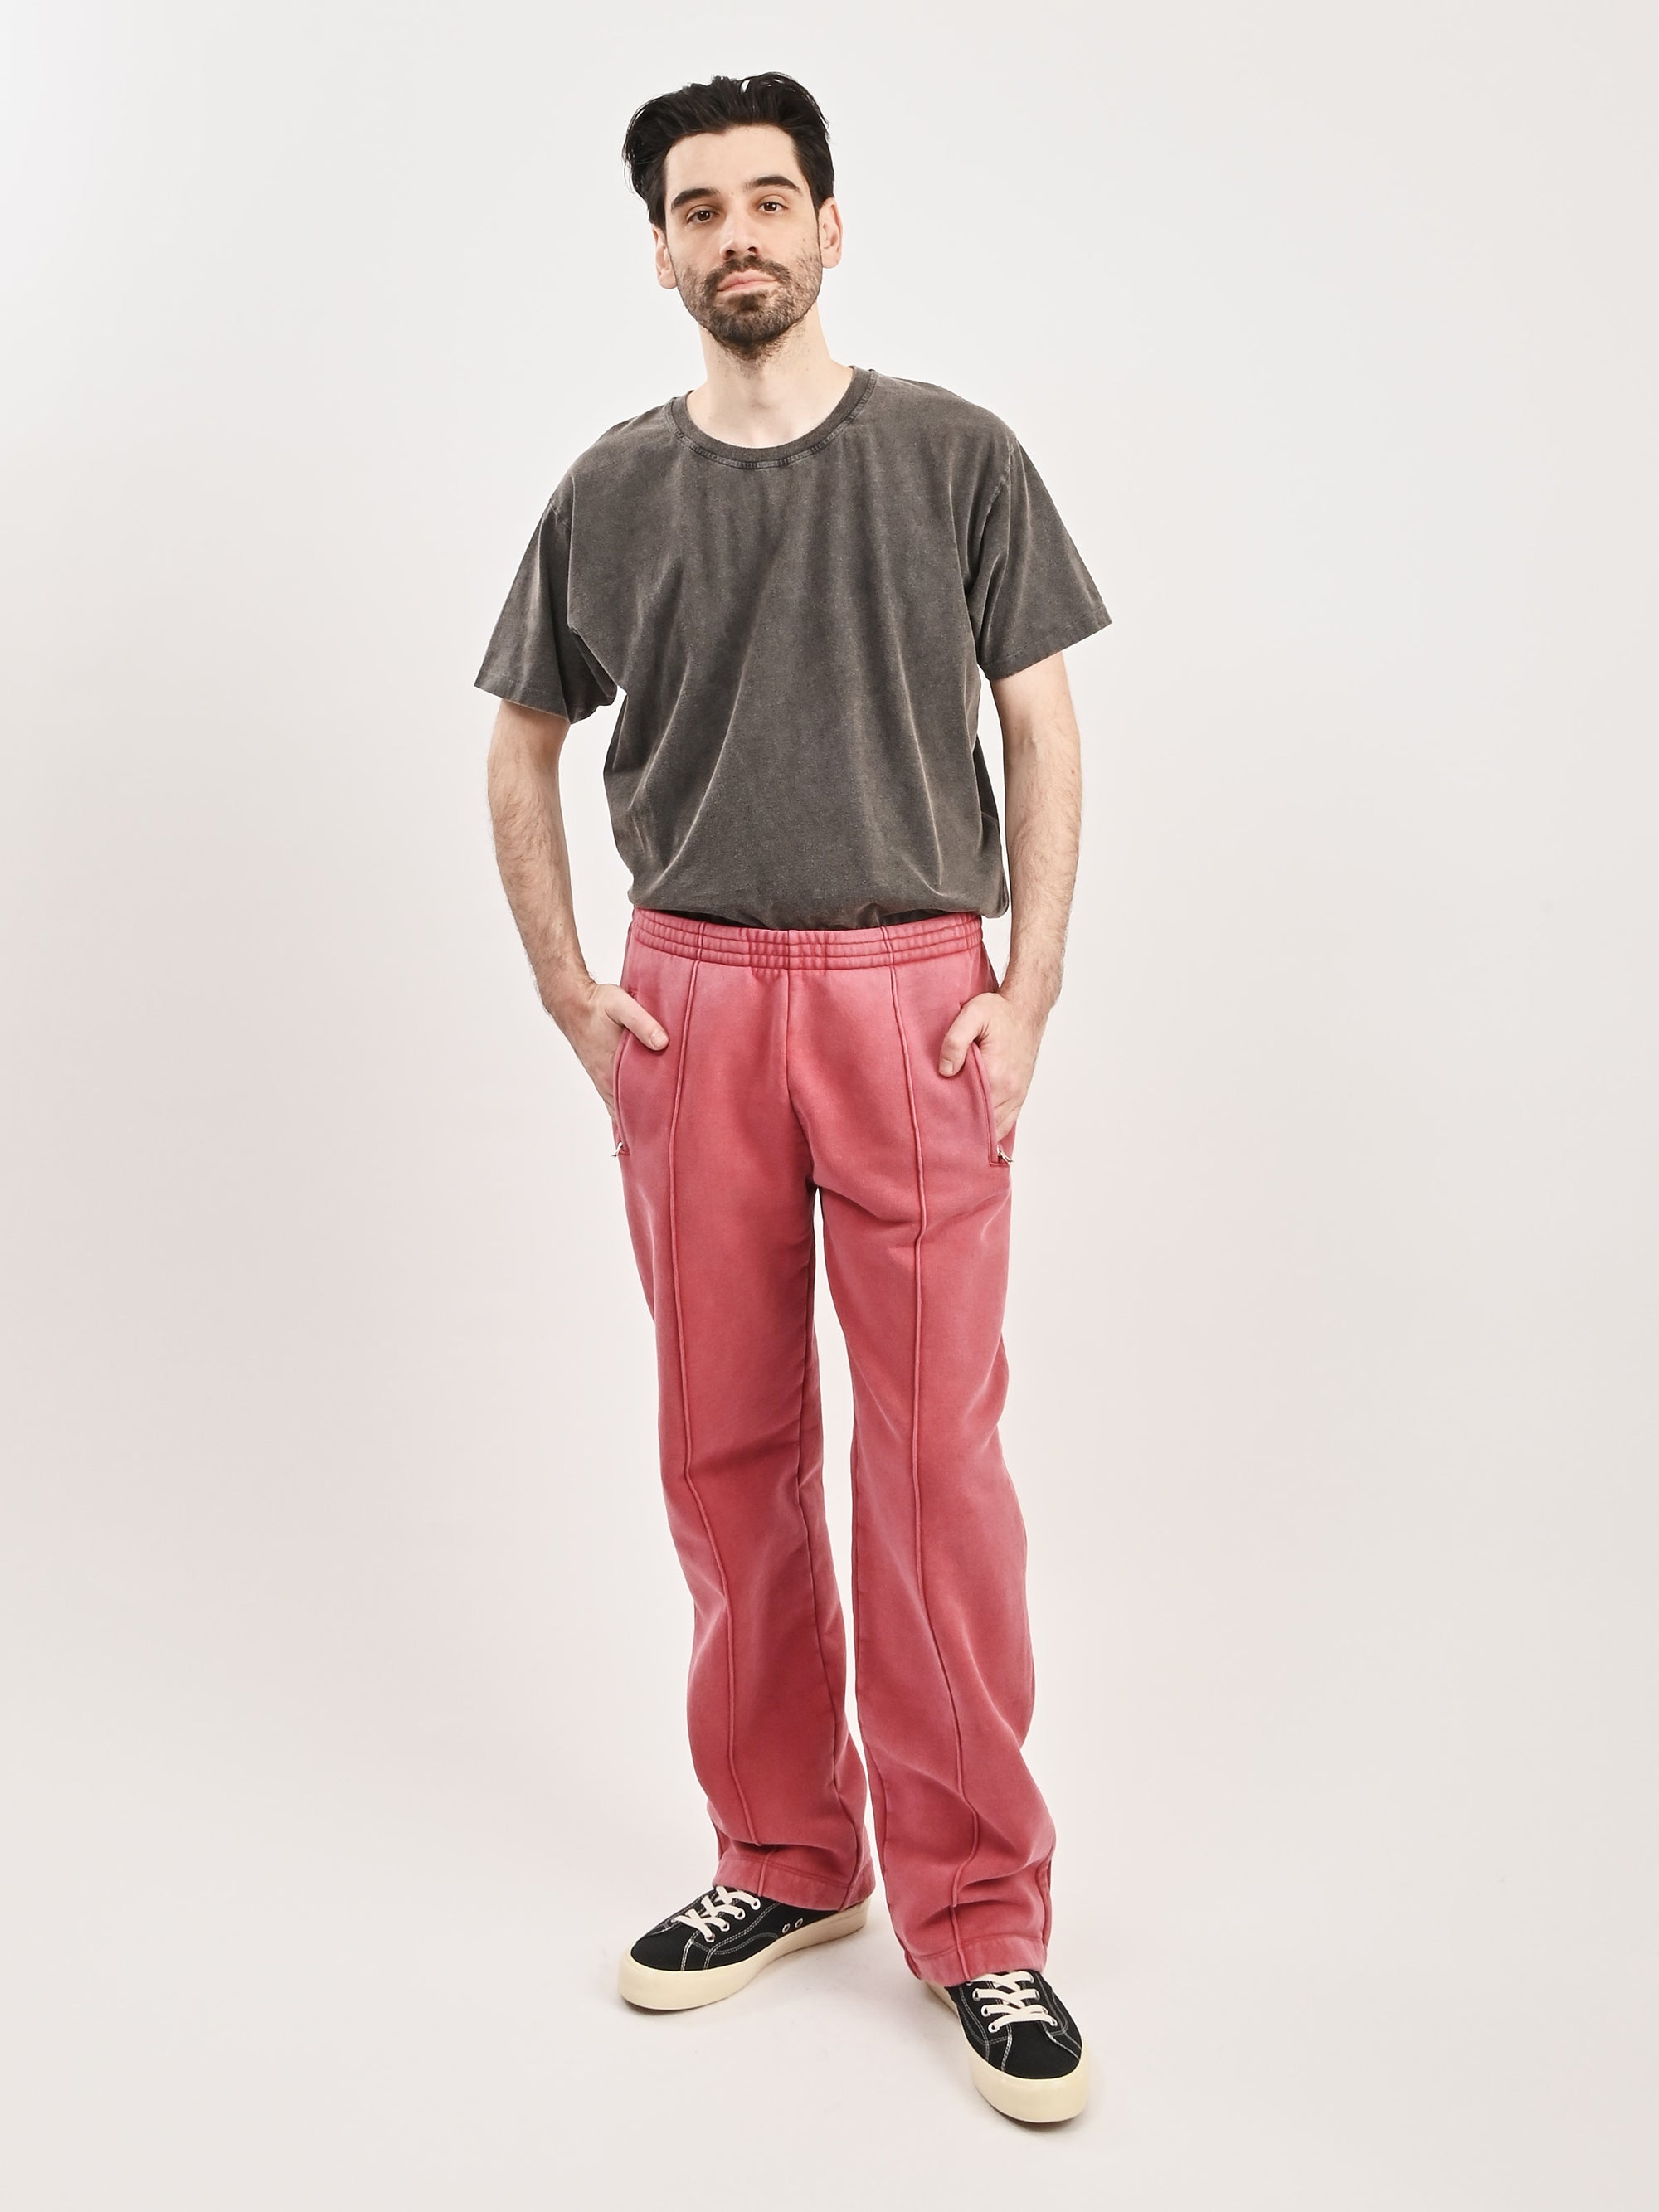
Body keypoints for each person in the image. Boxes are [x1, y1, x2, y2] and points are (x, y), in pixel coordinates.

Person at [474, 70, 1111, 2126]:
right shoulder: (610, 487)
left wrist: (1022, 997)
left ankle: (978, 1908)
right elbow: (518, 745)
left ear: (832, 226)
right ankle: (785, 1852)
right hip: (691, 1002)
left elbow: (1042, 727)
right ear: (660, 250)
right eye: (698, 207)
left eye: (769, 198)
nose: (736, 233)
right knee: (725, 1453)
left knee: (934, 1467)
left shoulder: (954, 455)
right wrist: (575, 989)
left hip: (912, 1000)